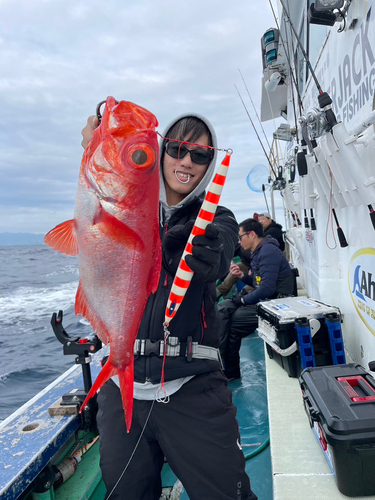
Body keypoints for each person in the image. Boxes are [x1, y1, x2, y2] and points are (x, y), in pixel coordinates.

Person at [81, 112, 258, 500]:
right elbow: (103, 189)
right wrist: (98, 143)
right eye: (177, 149)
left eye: (199, 155)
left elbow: (223, 241)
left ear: (210, 164)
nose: (186, 162)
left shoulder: (218, 218)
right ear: (162, 153)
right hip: (121, 387)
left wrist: (211, 256)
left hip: (193, 387)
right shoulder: (128, 207)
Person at [217, 218, 294, 381]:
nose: (239, 241)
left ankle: (228, 370)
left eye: (240, 237)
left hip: (278, 304)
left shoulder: (267, 252)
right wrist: (242, 276)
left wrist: (243, 301)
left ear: (251, 234)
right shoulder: (260, 252)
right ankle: (225, 367)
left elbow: (267, 289)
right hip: (269, 300)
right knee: (224, 310)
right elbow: (259, 283)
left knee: (233, 323)